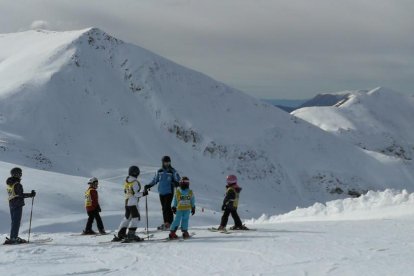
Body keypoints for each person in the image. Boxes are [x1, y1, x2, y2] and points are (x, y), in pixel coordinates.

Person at [112, 166, 148, 242]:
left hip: (127, 202)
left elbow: (125, 191)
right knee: (136, 218)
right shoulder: (135, 182)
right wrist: (144, 193)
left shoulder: (127, 181)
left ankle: (121, 233)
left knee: (127, 218)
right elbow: (136, 194)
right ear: (136, 173)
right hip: (133, 203)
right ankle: (131, 234)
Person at [145, 156, 180, 230]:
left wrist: (176, 183)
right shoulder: (159, 171)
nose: (167, 164)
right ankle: (166, 223)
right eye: (165, 162)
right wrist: (149, 185)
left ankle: (170, 223)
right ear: (163, 162)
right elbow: (155, 180)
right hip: (161, 192)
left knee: (167, 207)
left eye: (168, 162)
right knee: (164, 208)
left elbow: (178, 179)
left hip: (169, 191)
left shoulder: (172, 171)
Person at [4, 167, 36, 245]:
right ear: (16, 174)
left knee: (14, 221)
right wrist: (31, 195)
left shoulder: (9, 183)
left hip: (11, 204)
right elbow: (20, 195)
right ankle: (14, 238)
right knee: (16, 222)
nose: (21, 175)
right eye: (20, 173)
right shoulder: (17, 184)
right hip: (17, 204)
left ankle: (13, 237)